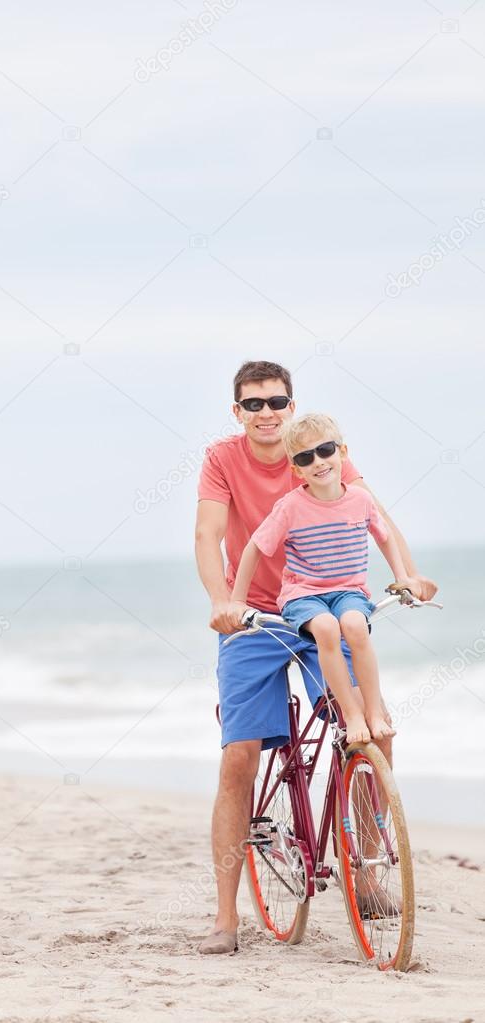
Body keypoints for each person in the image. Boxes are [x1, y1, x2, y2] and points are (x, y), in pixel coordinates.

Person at [195, 360, 438, 955]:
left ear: (291, 403)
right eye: (254, 404)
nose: (268, 413)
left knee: (371, 736)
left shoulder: (317, 447)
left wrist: (405, 578)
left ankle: (366, 870)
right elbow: (209, 537)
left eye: (277, 401)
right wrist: (223, 604)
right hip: (254, 617)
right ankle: (226, 917)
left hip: (324, 609)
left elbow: (375, 518)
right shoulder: (223, 458)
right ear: (238, 412)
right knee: (239, 758)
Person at [231, 411, 421, 745]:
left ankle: (373, 711)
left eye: (325, 450)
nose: (318, 462)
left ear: (342, 452)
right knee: (326, 628)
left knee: (355, 626)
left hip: (347, 591)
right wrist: (236, 601)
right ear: (296, 469)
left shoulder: (360, 500)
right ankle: (351, 713)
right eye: (305, 458)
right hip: (303, 595)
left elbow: (385, 536)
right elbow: (254, 548)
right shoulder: (291, 506)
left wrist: (403, 576)